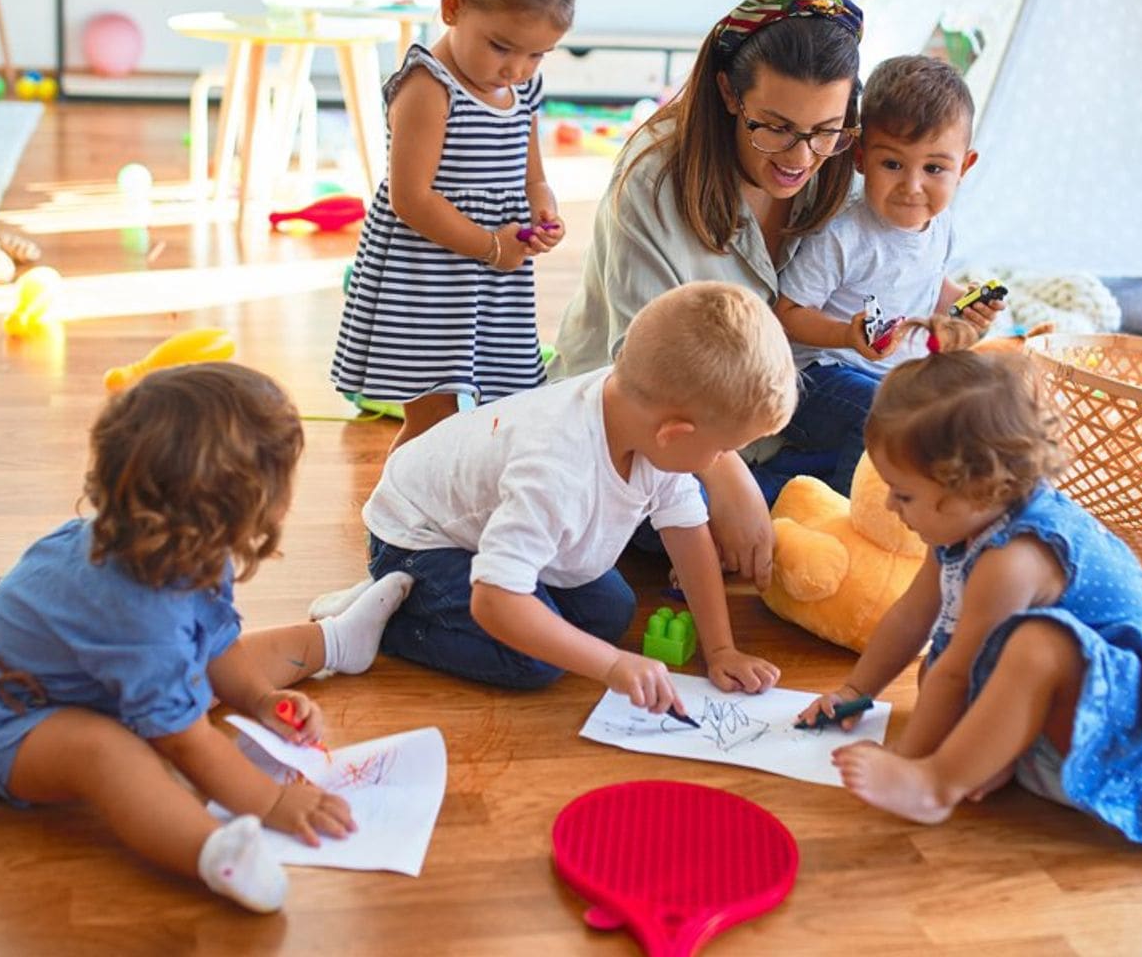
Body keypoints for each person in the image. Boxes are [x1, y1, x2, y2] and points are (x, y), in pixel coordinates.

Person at [0, 364, 417, 913]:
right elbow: (184, 744)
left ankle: (334, 641)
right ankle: (214, 854)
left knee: (218, 662)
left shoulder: (182, 548)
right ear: (235, 505)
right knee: (105, 752)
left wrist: (259, 700)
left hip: (96, 681)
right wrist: (273, 800)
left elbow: (216, 645)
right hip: (2, 724)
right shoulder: (141, 619)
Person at [800, 319, 1142, 845]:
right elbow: (910, 616)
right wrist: (857, 691)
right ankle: (993, 758)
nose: (889, 506)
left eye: (904, 495)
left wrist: (907, 763)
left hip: (1113, 733)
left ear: (975, 486)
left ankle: (939, 784)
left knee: (1035, 647)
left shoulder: (1012, 558)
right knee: (941, 665)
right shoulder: (962, 522)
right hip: (1050, 724)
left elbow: (958, 676)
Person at [322, 282, 794, 709]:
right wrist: (611, 666)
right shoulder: (556, 468)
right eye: (724, 449)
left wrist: (721, 650)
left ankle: (431, 598)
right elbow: (494, 601)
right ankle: (386, 616)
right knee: (532, 663)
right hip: (417, 536)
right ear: (673, 434)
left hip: (479, 520)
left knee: (611, 613)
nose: (723, 461)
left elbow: (688, 536)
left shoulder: (642, 411)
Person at [552, 0, 864, 584]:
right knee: (638, 504)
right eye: (773, 127)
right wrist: (726, 475)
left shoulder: (837, 158)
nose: (800, 158)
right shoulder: (654, 177)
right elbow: (641, 374)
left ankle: (755, 533)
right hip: (661, 426)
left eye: (826, 129)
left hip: (768, 413)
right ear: (727, 91)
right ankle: (769, 529)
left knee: (898, 425)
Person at [331, 0, 600, 450]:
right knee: (432, 416)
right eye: (502, 46)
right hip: (427, 276)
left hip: (493, 275)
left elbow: (533, 173)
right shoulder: (430, 87)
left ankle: (458, 502)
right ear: (453, 7)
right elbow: (411, 199)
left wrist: (543, 210)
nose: (517, 69)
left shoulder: (524, 87)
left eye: (537, 54)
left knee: (501, 410)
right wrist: (490, 245)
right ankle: (397, 521)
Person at [769, 55, 1001, 500]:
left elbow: (929, 287)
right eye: (892, 164)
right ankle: (845, 519)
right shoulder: (845, 233)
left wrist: (963, 308)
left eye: (934, 169)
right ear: (860, 157)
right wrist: (846, 335)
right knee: (884, 415)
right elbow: (787, 312)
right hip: (816, 374)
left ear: (964, 167)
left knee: (965, 408)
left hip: (892, 376)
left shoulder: (942, 224)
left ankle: (796, 476)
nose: (912, 186)